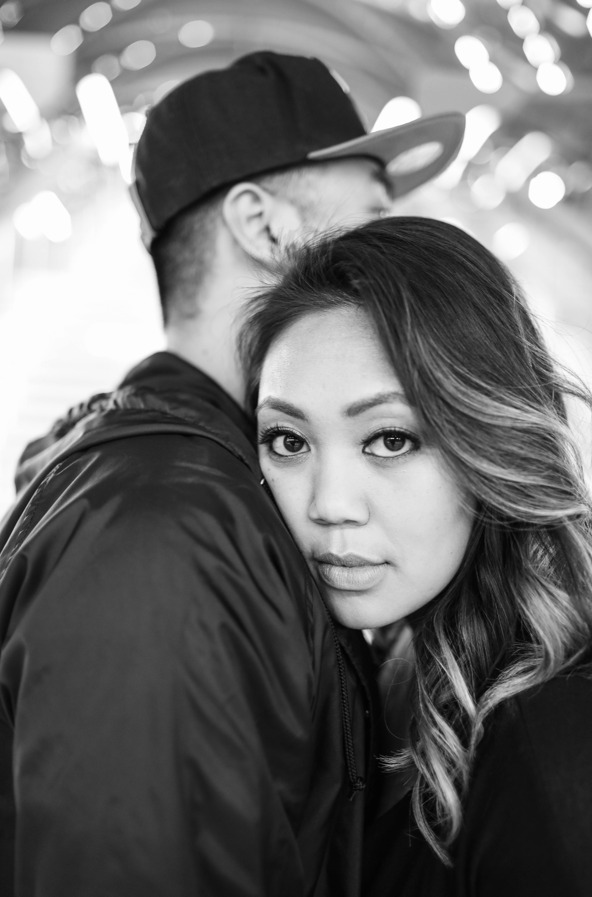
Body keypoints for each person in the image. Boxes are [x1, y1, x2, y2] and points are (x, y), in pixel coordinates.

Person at [0, 51, 464, 896]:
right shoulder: (162, 535)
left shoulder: (214, 483)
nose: (397, 257)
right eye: (373, 216)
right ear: (264, 225)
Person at [244, 215, 592, 897]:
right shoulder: (395, 652)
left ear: (486, 441)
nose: (330, 503)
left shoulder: (552, 741)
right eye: (289, 441)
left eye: (391, 439)